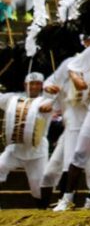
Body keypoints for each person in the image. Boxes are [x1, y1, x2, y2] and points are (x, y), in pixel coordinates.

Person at [0, 73, 55, 205]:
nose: (34, 86)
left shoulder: (47, 100)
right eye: (31, 83)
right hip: (15, 148)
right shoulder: (12, 99)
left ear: (42, 86)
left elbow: (61, 102)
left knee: (39, 186)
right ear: (25, 85)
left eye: (37, 84)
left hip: (37, 150)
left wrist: (52, 104)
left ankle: (43, 212)